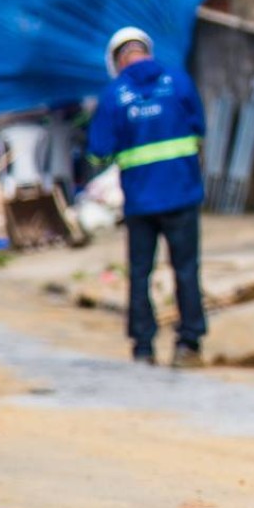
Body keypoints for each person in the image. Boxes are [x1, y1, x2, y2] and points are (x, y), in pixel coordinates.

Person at [88, 27, 210, 368]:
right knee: (186, 269)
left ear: (117, 60)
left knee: (140, 272)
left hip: (141, 201)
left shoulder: (115, 95)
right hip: (183, 194)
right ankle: (190, 343)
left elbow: (98, 151)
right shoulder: (179, 82)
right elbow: (199, 127)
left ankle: (143, 347)